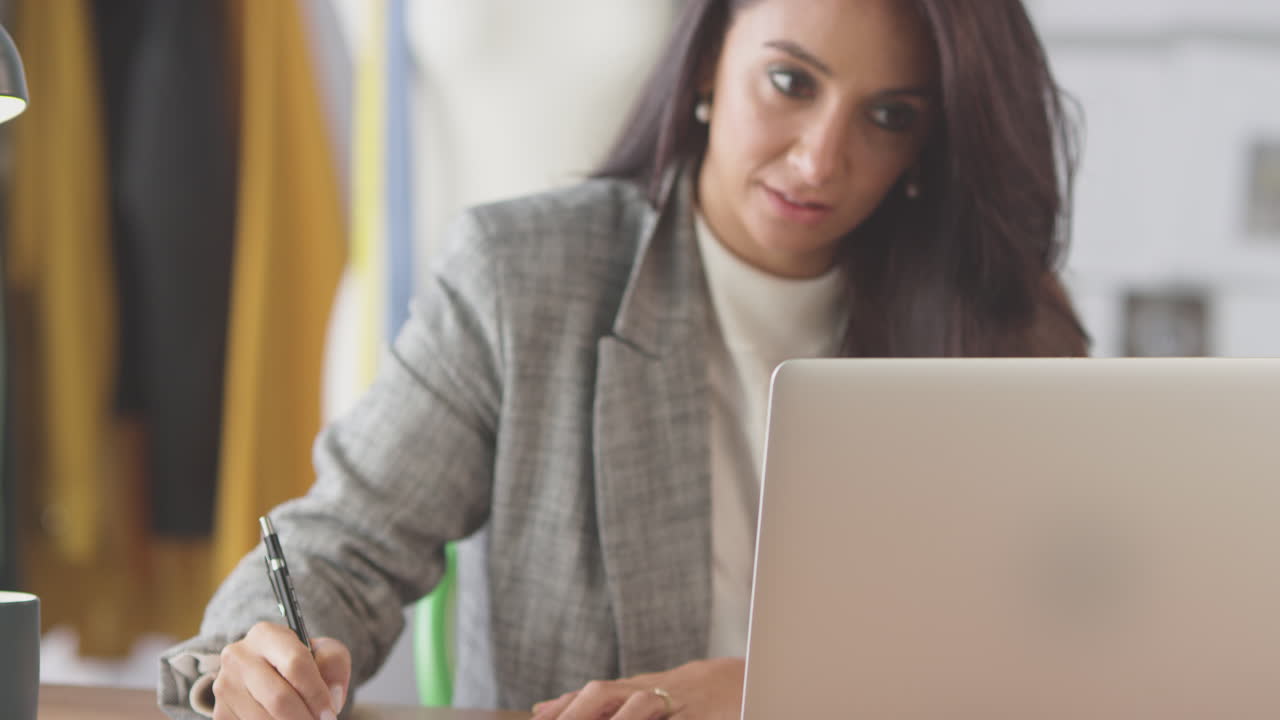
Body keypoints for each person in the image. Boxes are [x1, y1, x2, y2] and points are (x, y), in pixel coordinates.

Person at [158, 0, 1089, 718]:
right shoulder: (526, 279)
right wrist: (258, 655)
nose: (818, 160)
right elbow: (346, 545)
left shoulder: (1006, 330)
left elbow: (1056, 640)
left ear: (929, 144)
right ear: (708, 64)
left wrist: (767, 693)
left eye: (887, 115)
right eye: (791, 83)